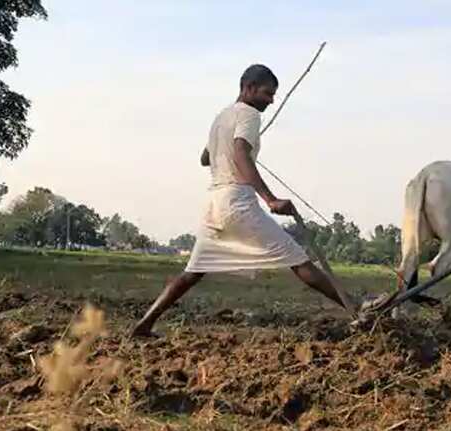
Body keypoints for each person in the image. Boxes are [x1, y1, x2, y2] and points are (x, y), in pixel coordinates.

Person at [131, 64, 351, 338]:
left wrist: (234, 145)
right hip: (237, 203)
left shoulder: (222, 116)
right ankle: (357, 310)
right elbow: (240, 154)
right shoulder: (248, 114)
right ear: (248, 88)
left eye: (274, 95)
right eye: (267, 93)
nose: (271, 100)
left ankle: (144, 325)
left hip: (215, 204)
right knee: (298, 260)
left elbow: (204, 158)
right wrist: (270, 198)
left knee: (193, 272)